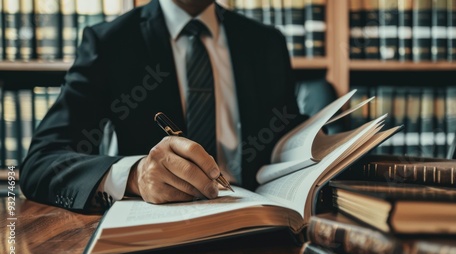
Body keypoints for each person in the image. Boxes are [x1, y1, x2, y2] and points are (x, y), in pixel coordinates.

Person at [20, 0, 305, 212]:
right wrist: (135, 175)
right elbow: (40, 164)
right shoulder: (111, 43)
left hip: (261, 227)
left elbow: (287, 139)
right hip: (158, 234)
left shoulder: (266, 43)